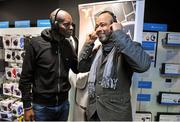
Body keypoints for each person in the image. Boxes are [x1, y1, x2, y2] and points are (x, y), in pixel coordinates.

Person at [78, 11, 151, 121]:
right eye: (97, 26)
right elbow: (81, 67)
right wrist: (88, 43)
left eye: (103, 25)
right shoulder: (97, 52)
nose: (98, 29)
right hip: (93, 114)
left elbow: (143, 65)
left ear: (113, 25)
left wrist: (118, 32)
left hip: (116, 116)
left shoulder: (127, 49)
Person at [19, 8, 78, 121]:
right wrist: (27, 107)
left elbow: (76, 68)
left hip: (63, 105)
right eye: (66, 24)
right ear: (55, 25)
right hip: (42, 107)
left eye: (71, 24)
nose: (71, 28)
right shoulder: (36, 44)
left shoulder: (67, 45)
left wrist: (88, 47)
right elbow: (25, 79)